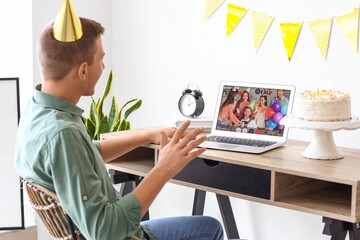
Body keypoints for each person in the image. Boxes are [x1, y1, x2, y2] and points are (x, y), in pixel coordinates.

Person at [15, 18, 224, 240]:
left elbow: (87, 151)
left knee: (210, 227)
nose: (104, 67)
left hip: (114, 228)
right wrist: (163, 169)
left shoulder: (37, 112)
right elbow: (106, 232)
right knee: (211, 230)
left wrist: (146, 135)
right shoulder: (64, 134)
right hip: (124, 234)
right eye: (101, 60)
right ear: (83, 71)